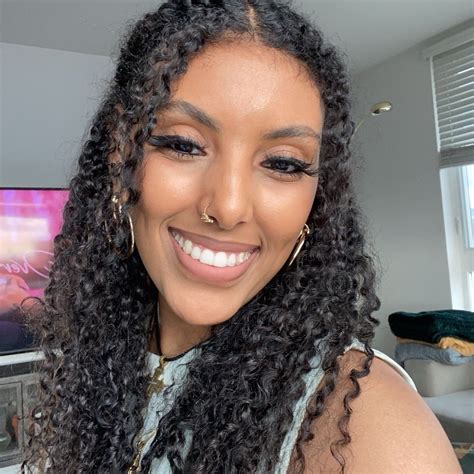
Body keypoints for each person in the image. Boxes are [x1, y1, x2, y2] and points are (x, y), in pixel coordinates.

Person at [22, 1, 461, 473]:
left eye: (283, 163)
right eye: (183, 145)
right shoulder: (100, 355)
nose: (229, 207)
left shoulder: (365, 423)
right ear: (119, 156)